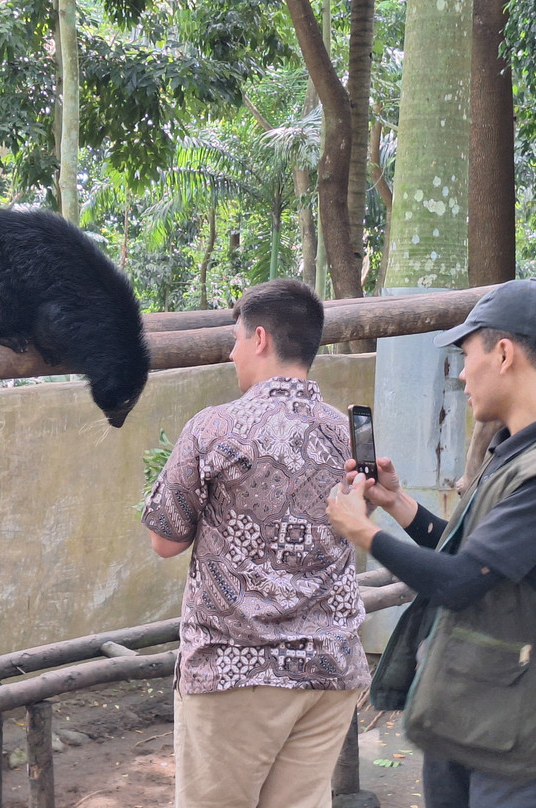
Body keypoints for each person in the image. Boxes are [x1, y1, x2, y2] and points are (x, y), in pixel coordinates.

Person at [327, 279, 536, 808]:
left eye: (467, 355)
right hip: (475, 710)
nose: (463, 374)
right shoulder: (521, 452)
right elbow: (478, 557)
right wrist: (396, 505)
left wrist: (362, 530)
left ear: (505, 353)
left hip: (517, 733)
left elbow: (463, 582)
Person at [141, 278, 370, 808]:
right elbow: (358, 518)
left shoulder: (214, 429)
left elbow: (163, 540)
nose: (231, 351)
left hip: (236, 673)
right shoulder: (347, 436)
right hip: (330, 670)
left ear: (261, 339)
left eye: (236, 338)